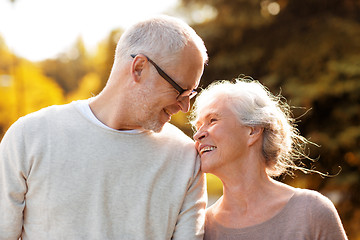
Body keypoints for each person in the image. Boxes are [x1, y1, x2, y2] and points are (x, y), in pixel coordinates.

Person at [0, 15, 208, 239]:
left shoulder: (186, 159)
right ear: (139, 68)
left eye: (191, 93)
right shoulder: (30, 136)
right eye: (181, 90)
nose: (186, 106)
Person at [191, 78, 348, 240]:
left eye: (212, 120)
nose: (198, 135)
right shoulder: (200, 228)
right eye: (198, 126)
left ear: (253, 131)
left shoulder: (311, 211)